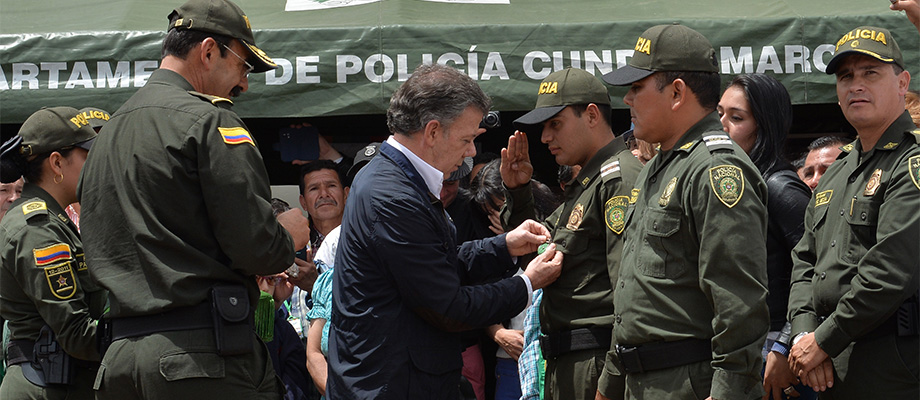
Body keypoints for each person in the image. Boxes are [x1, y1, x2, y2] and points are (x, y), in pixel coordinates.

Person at [76, 0, 312, 399]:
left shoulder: (105, 137)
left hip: (118, 361)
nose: (244, 84)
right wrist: (286, 235)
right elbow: (257, 248)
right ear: (208, 51)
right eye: (243, 66)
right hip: (200, 360)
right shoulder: (208, 120)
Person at [328, 63, 564, 399]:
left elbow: (436, 261)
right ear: (433, 132)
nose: (471, 152)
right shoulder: (393, 196)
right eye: (467, 139)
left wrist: (504, 245)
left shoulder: (395, 179)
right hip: (393, 386)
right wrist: (527, 283)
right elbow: (448, 307)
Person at [603, 24, 769, 400]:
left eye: (637, 87)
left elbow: (738, 297)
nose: (627, 99)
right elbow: (635, 291)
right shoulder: (656, 168)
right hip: (642, 381)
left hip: (689, 383)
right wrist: (610, 383)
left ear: (677, 92)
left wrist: (730, 390)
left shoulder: (715, 168)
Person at [786, 25, 919, 399]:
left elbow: (891, 271)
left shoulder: (911, 162)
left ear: (902, 83)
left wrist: (823, 340)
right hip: (830, 364)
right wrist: (804, 334)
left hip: (892, 367)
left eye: (870, 73)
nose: (855, 85)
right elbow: (804, 260)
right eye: (845, 77)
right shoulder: (837, 169)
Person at [501, 67, 643, 400]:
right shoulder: (588, 184)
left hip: (595, 362)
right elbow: (536, 257)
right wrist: (519, 193)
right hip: (569, 362)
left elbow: (631, 293)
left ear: (591, 115)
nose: (545, 137)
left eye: (555, 124)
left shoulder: (617, 180)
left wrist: (611, 379)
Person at [717, 73, 814, 400]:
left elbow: (817, 266)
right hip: (739, 347)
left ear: (764, 126)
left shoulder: (780, 187)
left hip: (777, 350)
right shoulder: (738, 183)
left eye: (736, 118)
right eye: (719, 114)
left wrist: (785, 345)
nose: (722, 125)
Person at [0, 106, 104, 399]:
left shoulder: (53, 222)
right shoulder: (38, 229)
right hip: (44, 385)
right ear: (57, 163)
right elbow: (76, 334)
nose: (96, 165)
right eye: (88, 156)